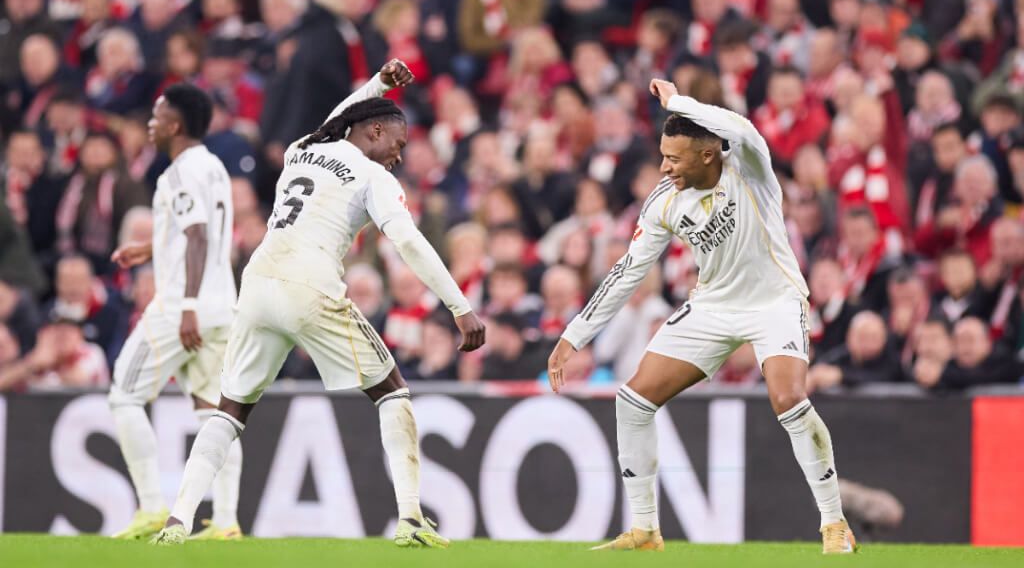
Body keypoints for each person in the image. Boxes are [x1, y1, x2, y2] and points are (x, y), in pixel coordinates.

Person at [153, 60, 485, 547]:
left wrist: (379, 83)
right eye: (398, 142)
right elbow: (410, 243)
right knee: (392, 392)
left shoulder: (302, 150)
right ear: (374, 129)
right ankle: (411, 518)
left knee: (230, 409)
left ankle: (177, 521)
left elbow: (337, 119)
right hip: (310, 284)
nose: (398, 154)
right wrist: (460, 306)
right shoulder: (374, 177)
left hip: (259, 280)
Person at [548, 79, 856, 553]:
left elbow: (741, 127)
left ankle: (834, 524)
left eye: (674, 157)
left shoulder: (749, 165)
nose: (664, 166)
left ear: (708, 154)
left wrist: (677, 102)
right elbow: (627, 272)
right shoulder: (665, 200)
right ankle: (646, 530)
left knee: (788, 399)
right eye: (663, 155)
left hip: (775, 300)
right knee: (632, 400)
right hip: (713, 304)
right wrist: (574, 336)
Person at [106, 83, 241, 541]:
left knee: (124, 395)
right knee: (213, 414)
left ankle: (149, 507)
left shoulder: (178, 173)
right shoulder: (215, 168)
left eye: (158, 114)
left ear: (176, 125)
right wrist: (149, 248)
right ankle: (226, 521)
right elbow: (199, 232)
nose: (150, 121)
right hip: (223, 305)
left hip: (186, 306)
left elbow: (198, 235)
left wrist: (186, 307)